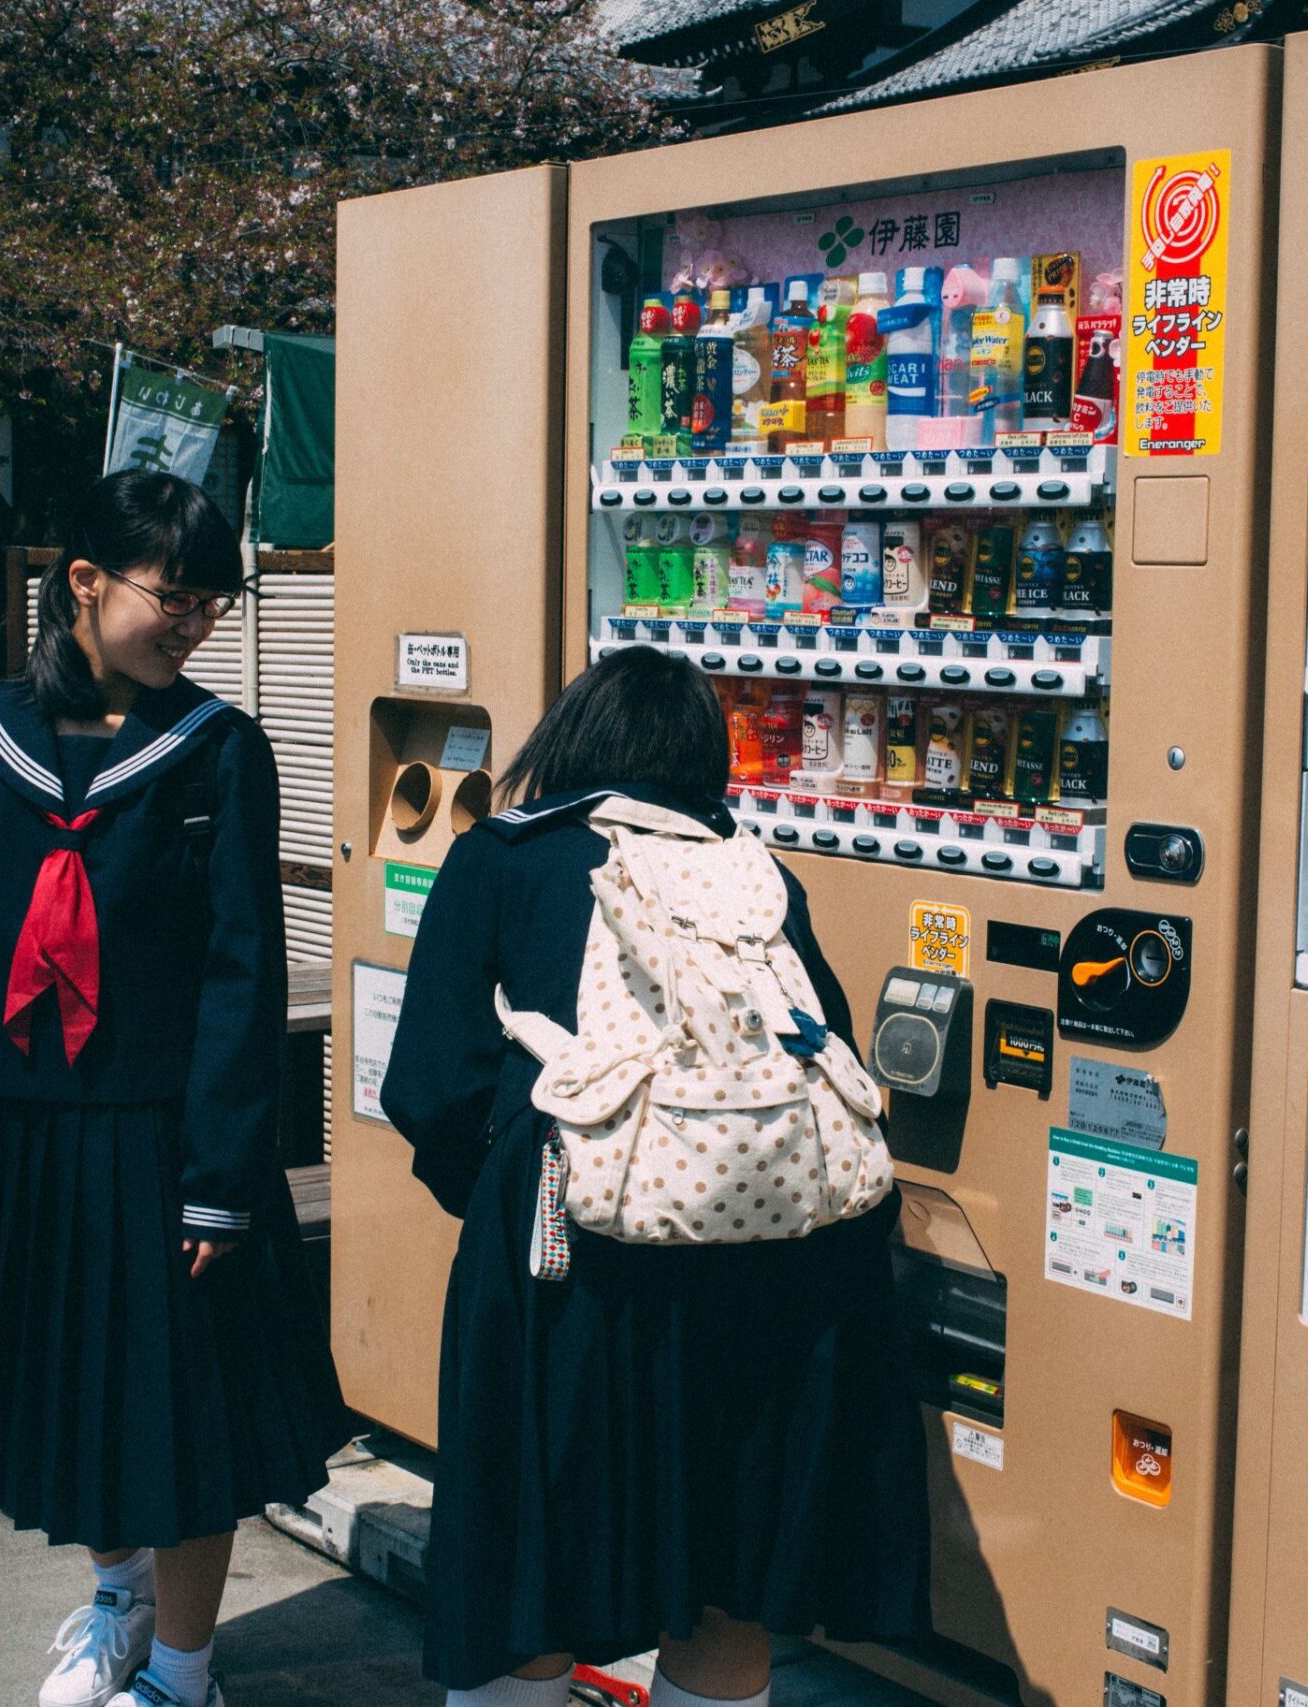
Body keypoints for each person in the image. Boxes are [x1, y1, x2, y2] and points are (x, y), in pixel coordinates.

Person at [382, 647, 932, 1707]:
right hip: (772, 1271)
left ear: (572, 739)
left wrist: (503, 1190)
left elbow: (427, 1085)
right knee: (727, 1580)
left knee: (527, 1557)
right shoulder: (755, 868)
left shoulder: (501, 855)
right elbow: (827, 1041)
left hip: (564, 1262)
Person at [0, 470, 346, 1707]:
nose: (193, 623)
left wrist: (216, 1182)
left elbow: (243, 974)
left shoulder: (219, 753)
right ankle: (117, 1594)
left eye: (212, 602)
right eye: (173, 596)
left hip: (178, 1137)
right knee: (77, 1395)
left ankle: (184, 1673)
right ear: (83, 582)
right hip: (38, 1132)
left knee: (186, 1417)